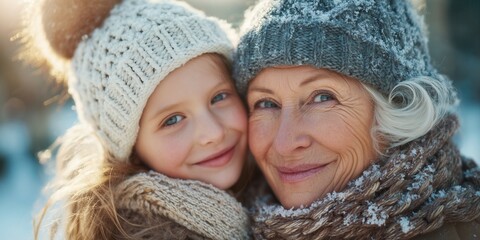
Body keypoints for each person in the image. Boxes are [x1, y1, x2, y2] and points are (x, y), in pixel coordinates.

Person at [234, 0, 480, 239]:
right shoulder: (231, 224)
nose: (284, 143)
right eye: (266, 104)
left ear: (398, 108)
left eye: (322, 97)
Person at [26, 0, 252, 239]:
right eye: (173, 120)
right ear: (131, 150)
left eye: (219, 97)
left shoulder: (267, 192)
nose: (213, 133)